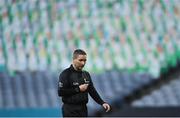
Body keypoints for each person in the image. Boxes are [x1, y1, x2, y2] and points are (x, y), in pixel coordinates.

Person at [58, 49, 111, 117]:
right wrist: (78, 89)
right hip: (70, 109)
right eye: (80, 60)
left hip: (83, 109)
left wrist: (102, 102)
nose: (83, 63)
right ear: (74, 60)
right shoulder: (65, 74)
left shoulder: (86, 74)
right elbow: (61, 92)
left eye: (85, 60)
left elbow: (92, 90)